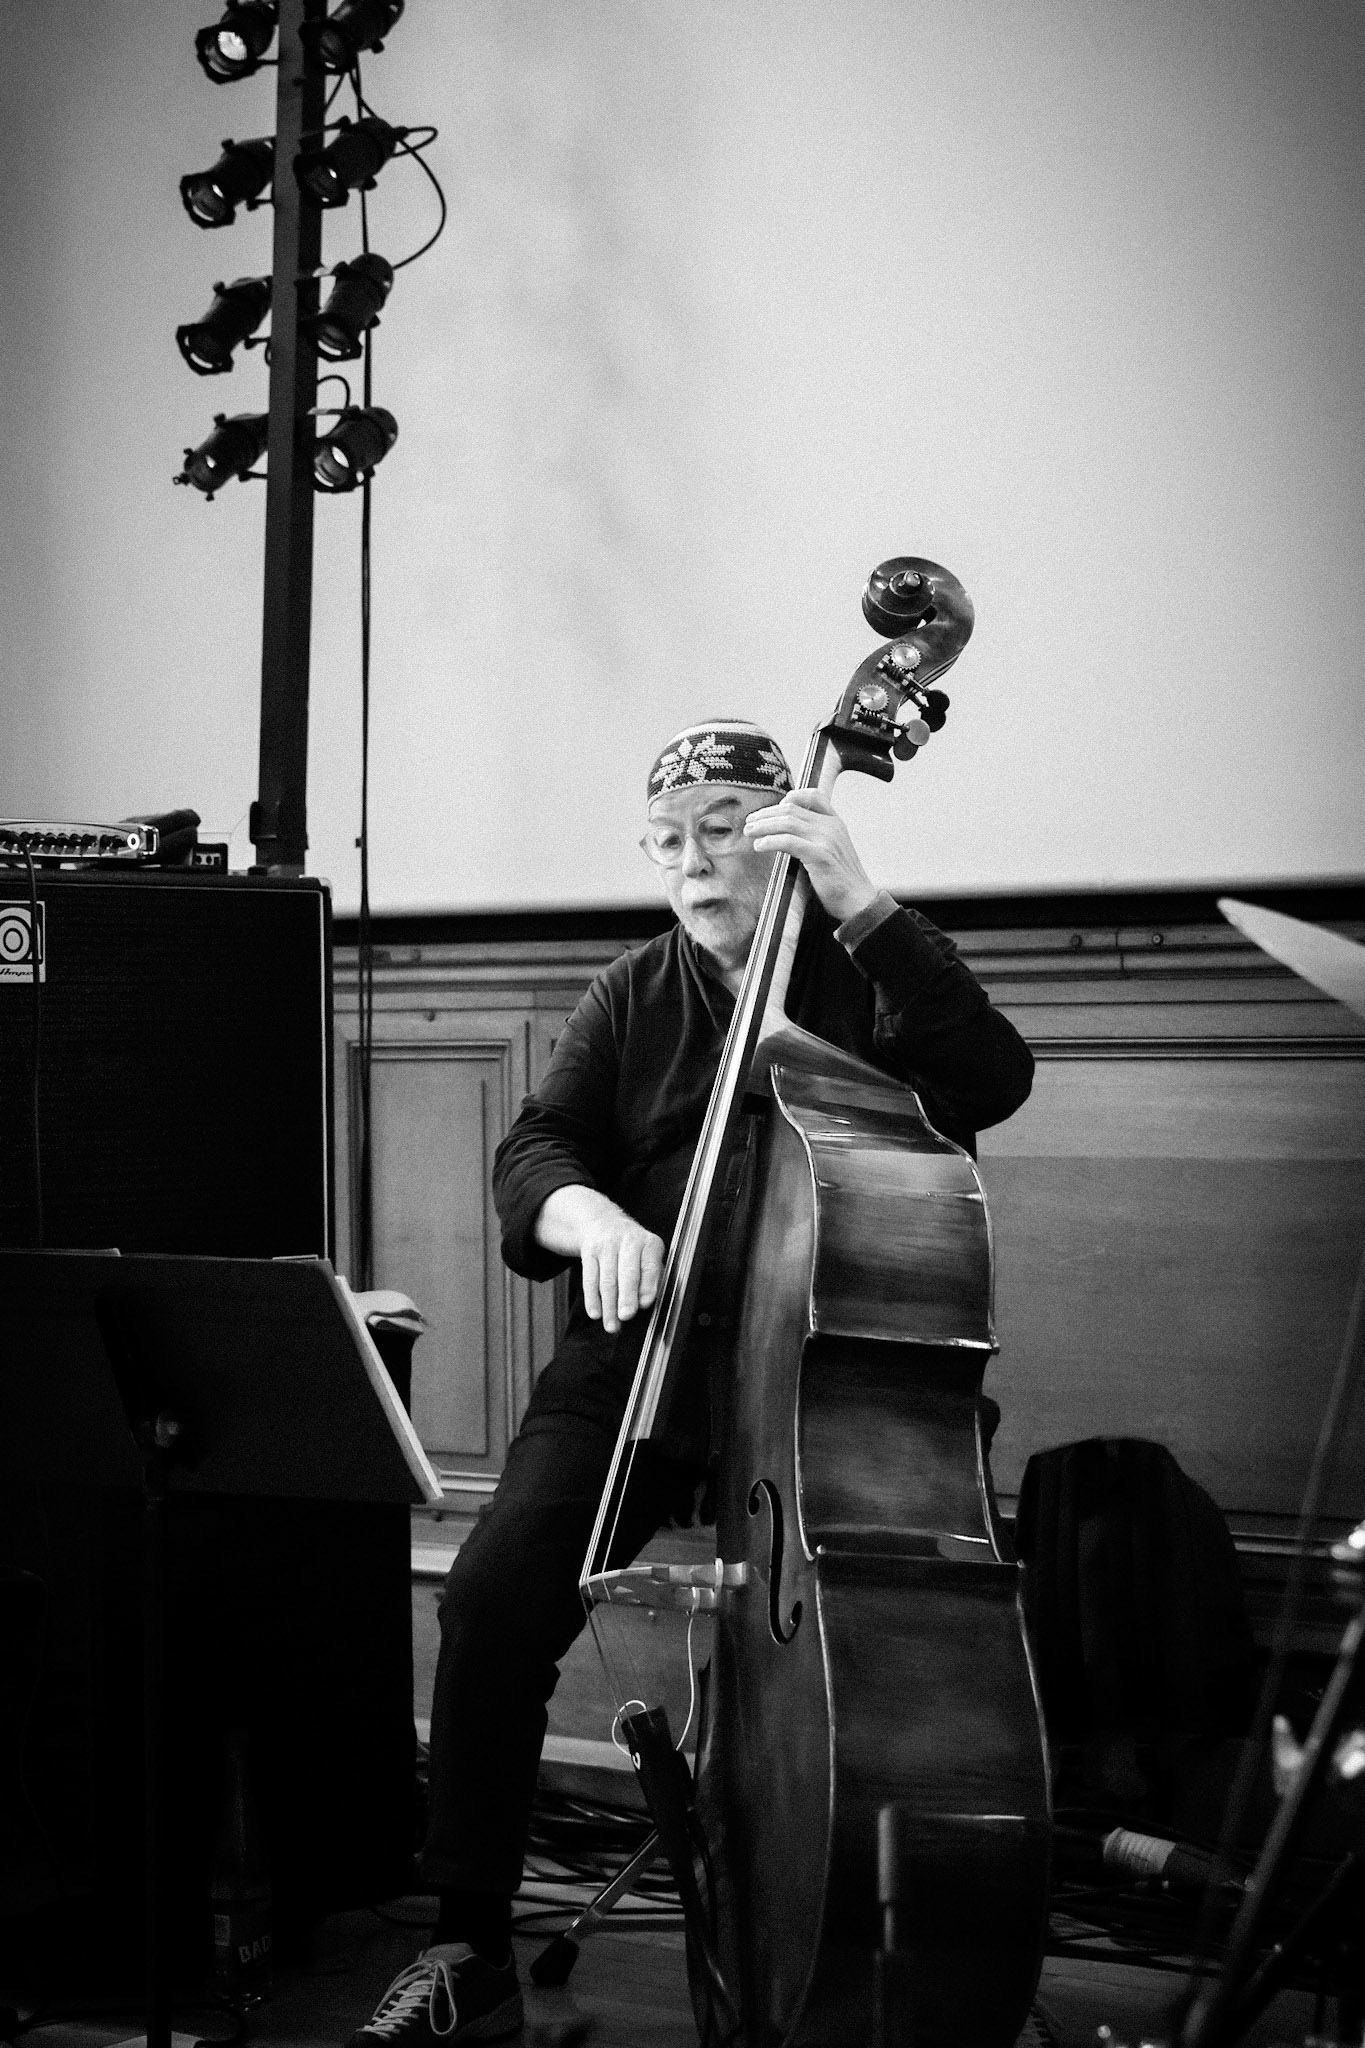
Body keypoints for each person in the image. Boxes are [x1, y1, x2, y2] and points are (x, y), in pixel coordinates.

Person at [347, 720, 1034, 2046]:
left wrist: (864, 903)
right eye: (668, 840)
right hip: (642, 1364)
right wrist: (588, 1218)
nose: (694, 862)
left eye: (723, 828)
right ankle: (465, 1942)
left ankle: (873, 1922)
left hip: (839, 1377)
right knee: (491, 1599)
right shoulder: (632, 991)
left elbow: (990, 1080)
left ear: (781, 830)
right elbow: (538, 1145)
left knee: (885, 1646)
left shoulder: (864, 968)